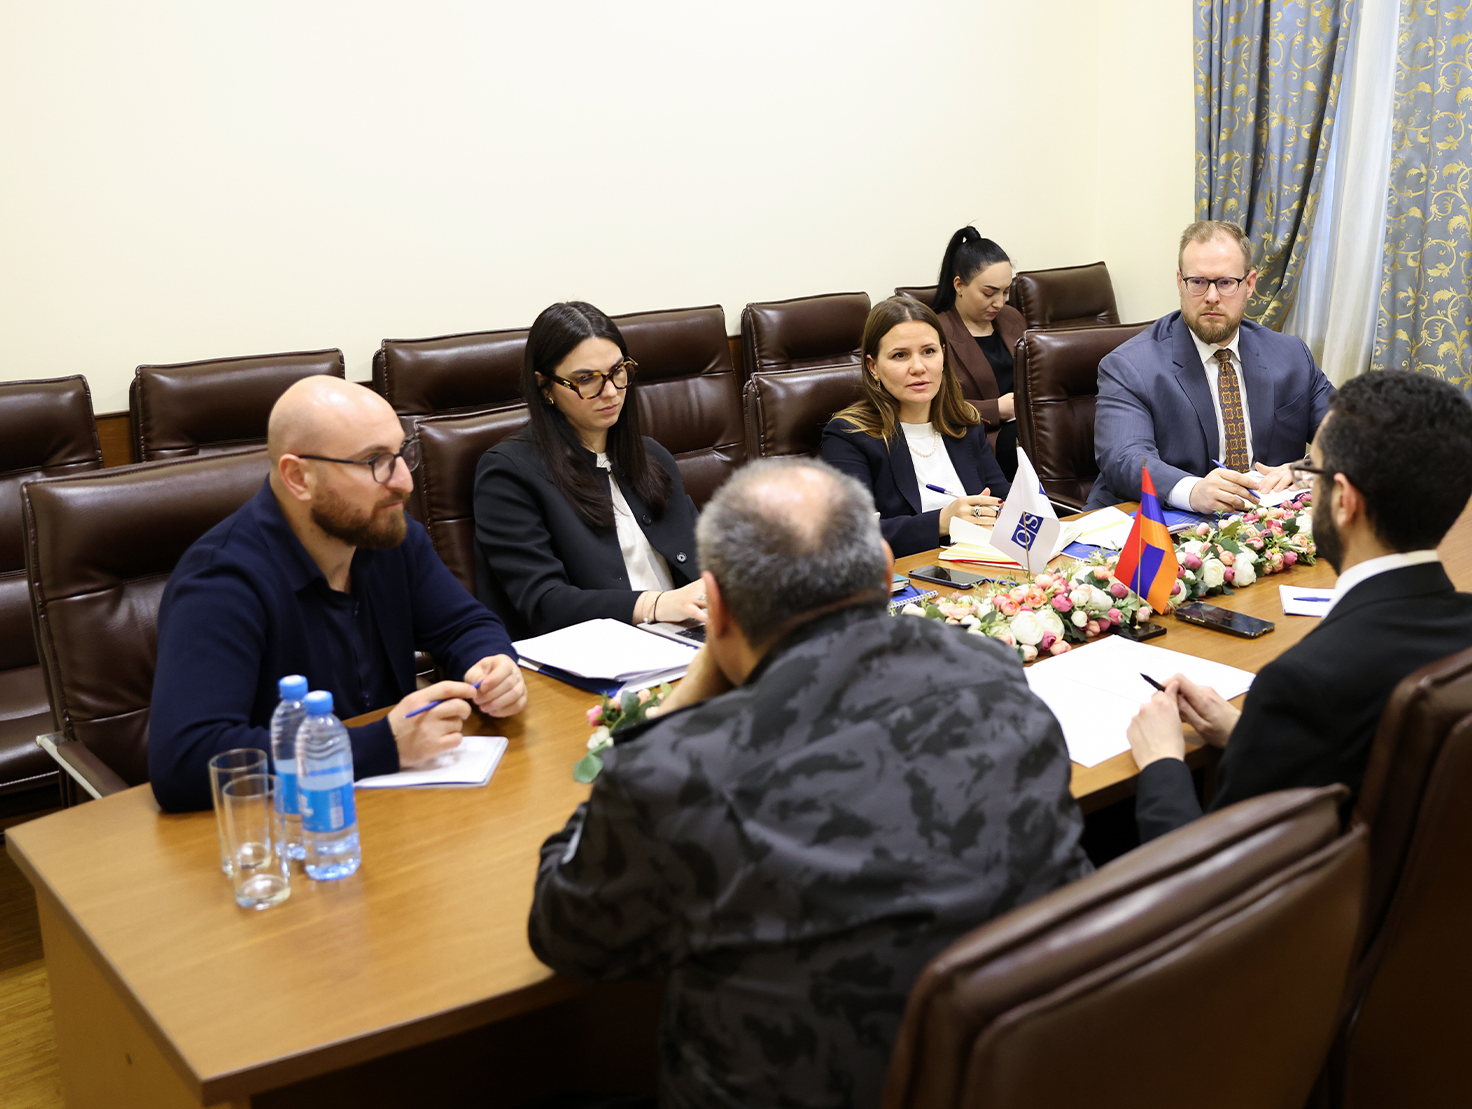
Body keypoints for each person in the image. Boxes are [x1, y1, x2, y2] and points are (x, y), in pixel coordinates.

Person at [526, 460, 1090, 1109]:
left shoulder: (678, 770)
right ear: (885, 570)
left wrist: (675, 707)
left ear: (717, 609)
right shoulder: (990, 669)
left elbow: (565, 931)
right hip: (1029, 1075)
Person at [1125, 371, 1472, 843]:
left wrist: (1163, 761)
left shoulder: (1302, 684)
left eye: (1313, 472)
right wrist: (1253, 733)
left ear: (1344, 501)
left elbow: (1208, 873)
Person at [147, 376, 527, 813]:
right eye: (374, 461)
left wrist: (491, 666)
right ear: (298, 477)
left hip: (395, 806)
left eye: (402, 454)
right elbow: (186, 759)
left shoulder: (388, 536)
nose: (404, 481)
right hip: (286, 825)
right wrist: (381, 744)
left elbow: (466, 625)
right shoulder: (220, 581)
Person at [473, 301, 707, 640]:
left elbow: (705, 558)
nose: (610, 392)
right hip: (596, 651)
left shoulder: (651, 456)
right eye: (586, 379)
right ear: (545, 387)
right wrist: (657, 604)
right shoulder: (508, 473)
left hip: (691, 637)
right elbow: (546, 604)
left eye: (618, 371)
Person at [1089, 219, 1335, 512]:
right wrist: (1193, 490)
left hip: (1265, 521)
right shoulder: (1129, 366)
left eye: (1226, 282)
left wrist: (1307, 471)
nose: (1212, 297)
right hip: (1163, 521)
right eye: (1198, 282)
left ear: (1249, 285)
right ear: (1180, 282)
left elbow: (1352, 433)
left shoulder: (1291, 355)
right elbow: (1123, 458)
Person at [820, 296, 1009, 555]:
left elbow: (1002, 499)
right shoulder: (849, 435)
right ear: (873, 367)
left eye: (929, 351)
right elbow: (850, 535)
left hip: (982, 561)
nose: (919, 367)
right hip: (907, 572)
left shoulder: (964, 421)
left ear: (943, 355)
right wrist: (942, 521)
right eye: (900, 355)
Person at [930, 225, 1027, 481]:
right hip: (979, 435)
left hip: (1026, 424)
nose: (1000, 303)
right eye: (989, 293)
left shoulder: (1012, 319)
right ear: (959, 285)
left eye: (1006, 291)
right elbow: (931, 404)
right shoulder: (936, 332)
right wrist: (996, 409)